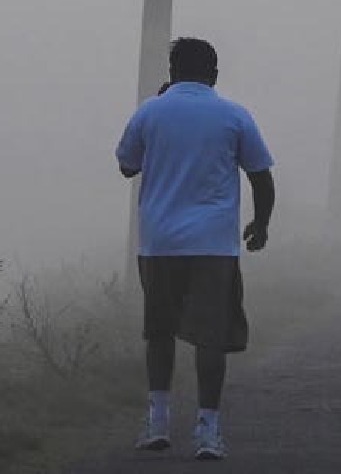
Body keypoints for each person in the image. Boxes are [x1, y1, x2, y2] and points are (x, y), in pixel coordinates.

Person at [115, 37, 275, 460]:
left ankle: (158, 421)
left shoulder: (150, 112)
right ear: (215, 73)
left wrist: (158, 105)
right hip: (214, 244)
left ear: (172, 71)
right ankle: (208, 429)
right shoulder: (233, 114)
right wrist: (261, 224)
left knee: (160, 332)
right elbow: (261, 175)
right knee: (211, 336)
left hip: (160, 241)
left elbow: (127, 164)